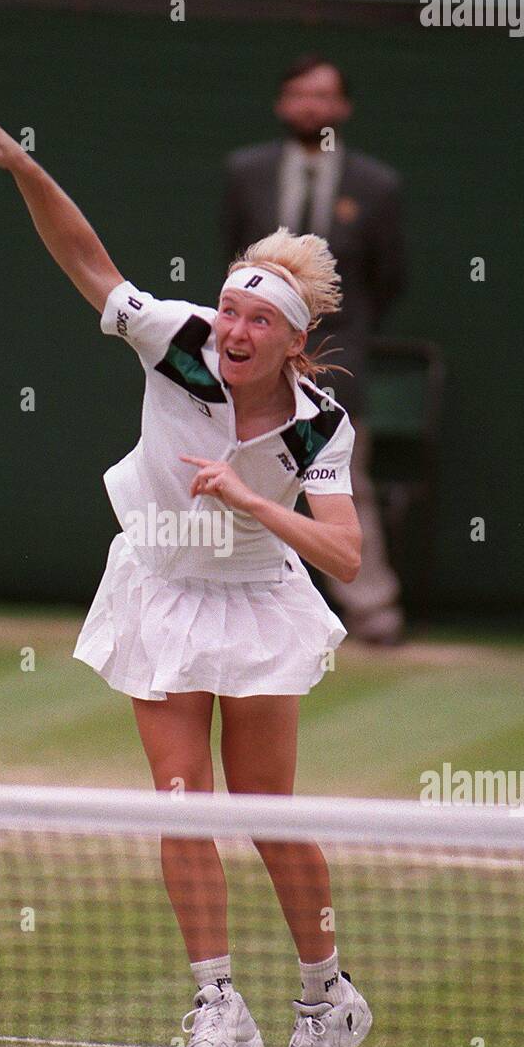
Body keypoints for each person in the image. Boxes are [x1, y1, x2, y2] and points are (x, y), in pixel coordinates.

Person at [0, 109, 373, 1047]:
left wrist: (245, 500)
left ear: (291, 338)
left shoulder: (318, 426)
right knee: (181, 799)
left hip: (255, 598)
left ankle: (325, 996)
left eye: (255, 319)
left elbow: (345, 557)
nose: (230, 327)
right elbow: (87, 261)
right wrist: (26, 165)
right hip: (158, 581)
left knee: (265, 807)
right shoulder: (175, 338)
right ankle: (214, 998)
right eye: (228, 308)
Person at [223, 54, 407, 645]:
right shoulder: (243, 172)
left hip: (340, 354)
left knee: (344, 475)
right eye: (299, 94)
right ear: (282, 104)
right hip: (254, 355)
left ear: (344, 108)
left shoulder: (377, 185)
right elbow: (233, 264)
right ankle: (231, 591)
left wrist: (337, 338)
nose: (312, 106)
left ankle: (372, 611)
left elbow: (388, 278)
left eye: (324, 96)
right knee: (236, 467)